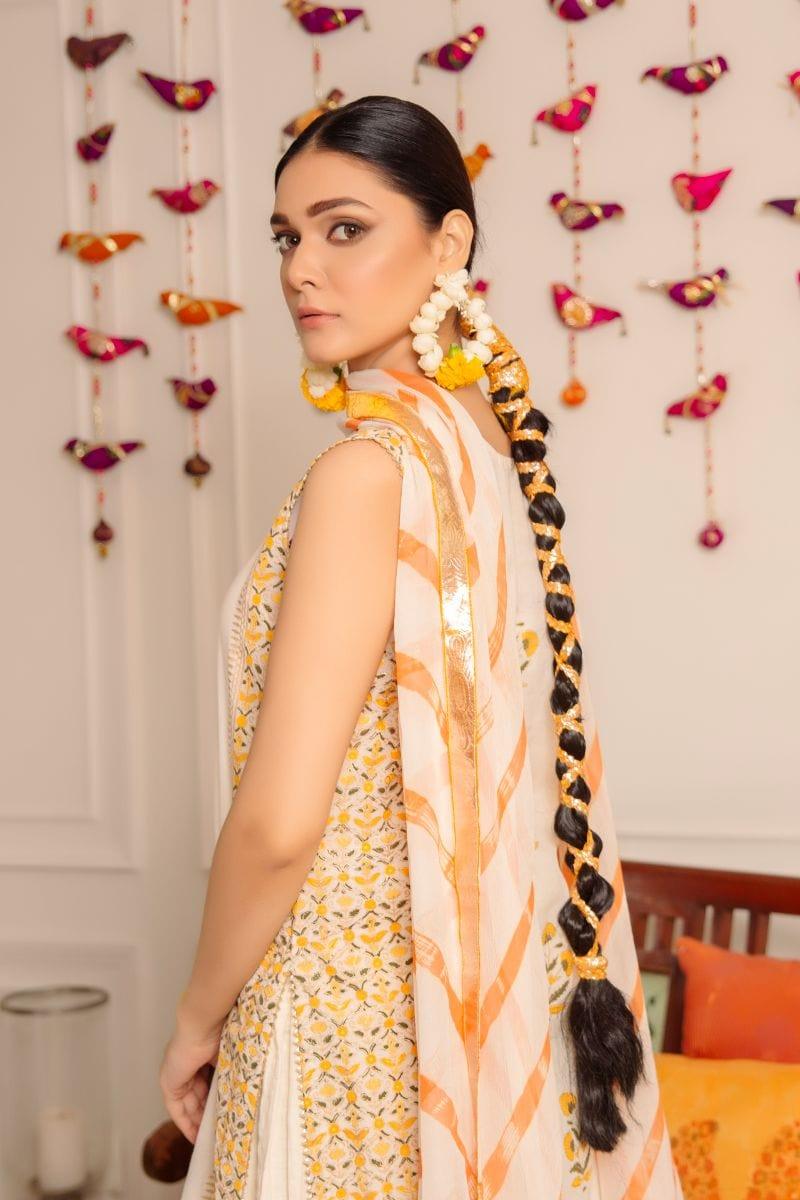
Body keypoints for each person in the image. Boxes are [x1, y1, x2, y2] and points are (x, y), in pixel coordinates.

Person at [159, 94, 685, 1200]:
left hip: (334, 1039)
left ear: (448, 243)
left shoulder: (364, 474)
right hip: (448, 1039)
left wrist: (197, 1016)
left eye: (344, 228)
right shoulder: (485, 458)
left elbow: (278, 824)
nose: (301, 269)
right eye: (286, 237)